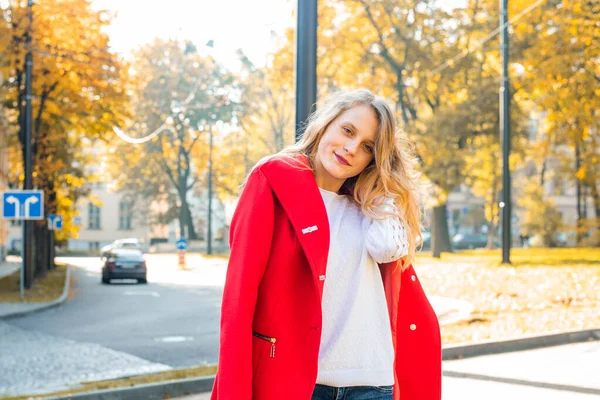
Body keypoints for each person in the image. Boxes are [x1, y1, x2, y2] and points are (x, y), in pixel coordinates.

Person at [211, 89, 441, 400]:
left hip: (371, 382)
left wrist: (387, 184)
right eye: (348, 130)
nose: (350, 148)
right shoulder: (274, 179)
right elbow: (239, 298)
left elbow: (388, 248)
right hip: (298, 382)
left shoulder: (371, 205)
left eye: (367, 147)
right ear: (328, 121)